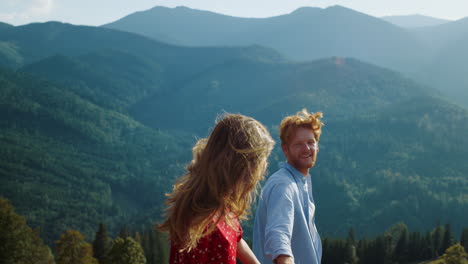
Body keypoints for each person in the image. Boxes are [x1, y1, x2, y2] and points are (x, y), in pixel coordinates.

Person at [158, 114, 275, 264]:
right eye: (260, 163)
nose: (262, 171)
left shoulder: (222, 204)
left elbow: (236, 239)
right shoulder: (201, 225)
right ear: (241, 168)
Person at [253, 109, 324, 264]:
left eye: (311, 142)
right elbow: (278, 236)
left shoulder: (299, 182)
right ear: (285, 149)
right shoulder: (283, 185)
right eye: (299, 144)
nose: (307, 148)